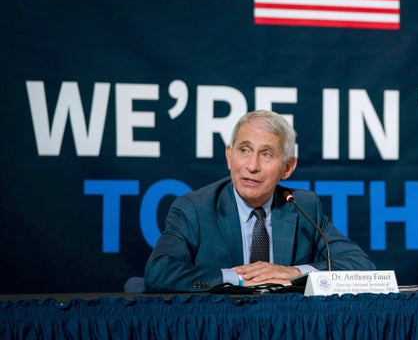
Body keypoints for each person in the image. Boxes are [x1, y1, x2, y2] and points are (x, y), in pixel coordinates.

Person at [144, 110, 375, 292]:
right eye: (244, 150)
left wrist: (293, 272)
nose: (252, 166)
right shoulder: (194, 208)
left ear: (287, 167)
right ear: (229, 156)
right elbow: (159, 272)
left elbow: (360, 267)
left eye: (266, 154)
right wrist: (238, 277)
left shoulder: (302, 206)